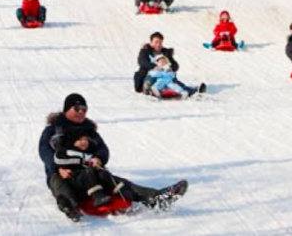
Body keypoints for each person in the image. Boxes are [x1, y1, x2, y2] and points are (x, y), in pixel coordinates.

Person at [39, 93, 189, 221]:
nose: (81, 112)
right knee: (60, 184)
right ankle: (70, 207)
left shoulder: (89, 130)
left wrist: (99, 158)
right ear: (67, 109)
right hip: (64, 173)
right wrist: (57, 168)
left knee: (115, 181)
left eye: (84, 109)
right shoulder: (54, 130)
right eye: (77, 108)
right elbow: (44, 150)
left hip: (90, 172)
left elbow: (102, 148)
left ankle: (156, 198)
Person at [134, 32, 206, 96]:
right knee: (152, 79)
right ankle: (149, 89)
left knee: (172, 81)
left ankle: (192, 91)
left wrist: (169, 67)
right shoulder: (145, 51)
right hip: (150, 76)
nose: (158, 45)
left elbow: (175, 66)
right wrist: (155, 66)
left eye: (160, 42)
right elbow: (142, 62)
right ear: (151, 43)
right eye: (156, 42)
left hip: (165, 76)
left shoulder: (165, 53)